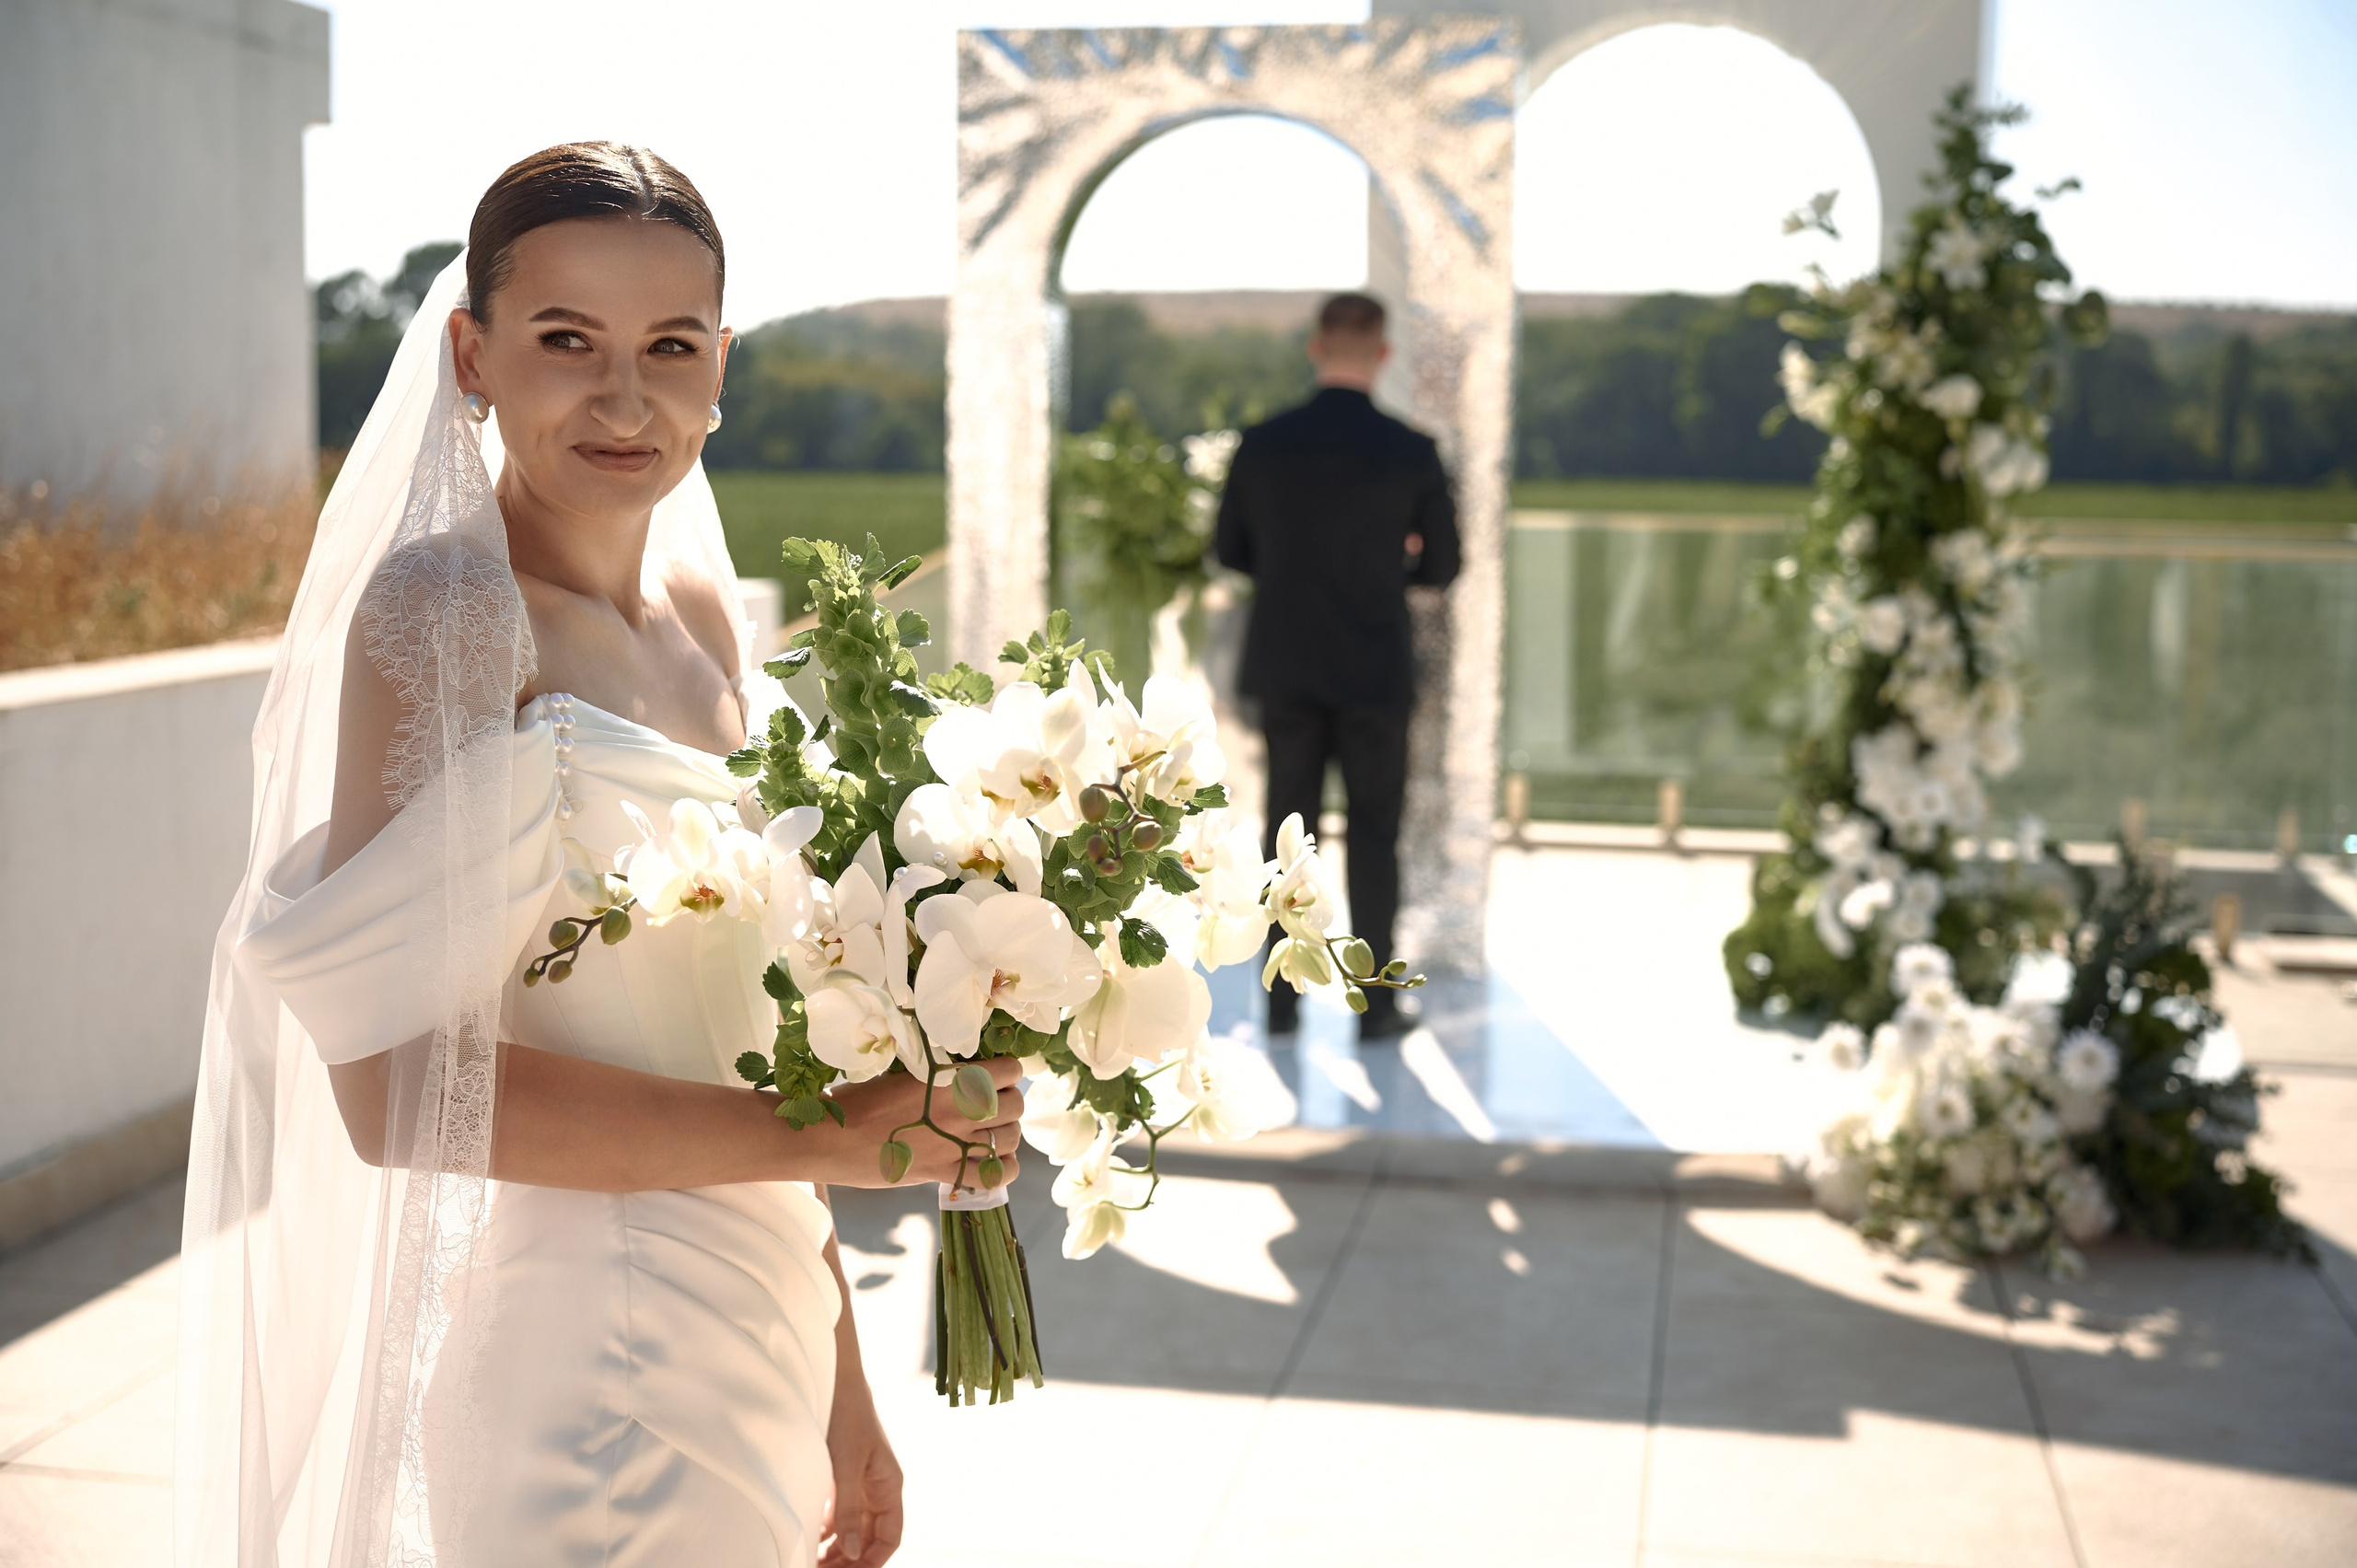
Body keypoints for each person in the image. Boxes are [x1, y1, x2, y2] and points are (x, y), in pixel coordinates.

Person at [180, 144, 1016, 1567]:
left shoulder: (704, 605)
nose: (624, 396)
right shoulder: (448, 609)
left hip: (759, 1323)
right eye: (566, 340)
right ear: (472, 353)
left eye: (669, 345)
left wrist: (845, 1385)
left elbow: (748, 1035)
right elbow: (396, 1093)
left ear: (721, 365)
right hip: (592, 1367)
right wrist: (826, 1133)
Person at [1213, 293, 1460, 1040]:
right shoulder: (1411, 451)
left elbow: (1230, 551)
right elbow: (1445, 565)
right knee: (1375, 836)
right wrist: (1398, 562)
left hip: (1287, 664)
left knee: (1286, 835)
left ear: (1317, 348)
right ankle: (1375, 1005)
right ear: (1382, 354)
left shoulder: (1263, 442)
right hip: (1375, 670)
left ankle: (1281, 1006)